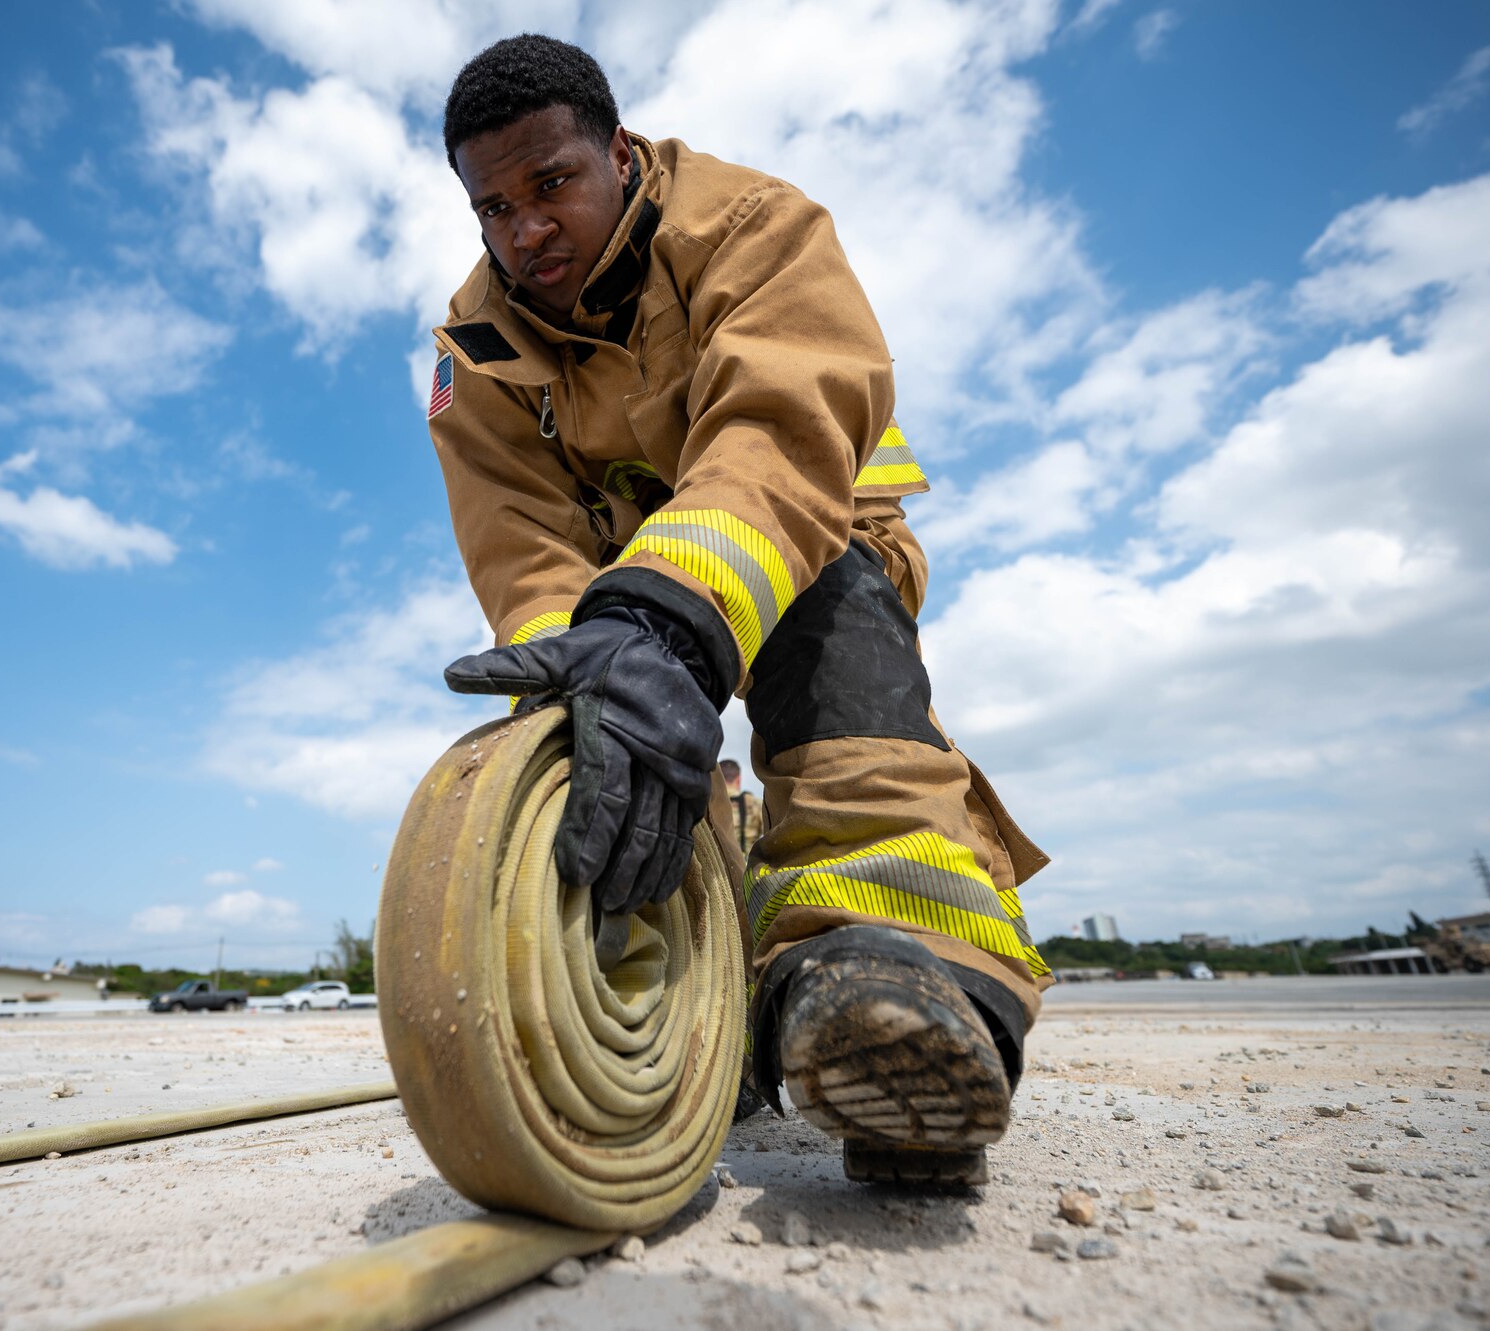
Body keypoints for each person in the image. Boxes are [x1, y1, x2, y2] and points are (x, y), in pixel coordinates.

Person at [431, 34, 1049, 1183]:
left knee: (821, 636)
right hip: (635, 591)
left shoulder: (753, 226)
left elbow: (778, 426)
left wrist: (667, 622)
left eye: (551, 184)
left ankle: (902, 976)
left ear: (616, 153)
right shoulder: (474, 356)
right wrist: (593, 678)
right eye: (493, 207)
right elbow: (520, 552)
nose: (524, 229)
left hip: (816, 526)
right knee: (622, 754)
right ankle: (722, 1021)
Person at [719, 758, 762, 860]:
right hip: (747, 869)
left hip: (715, 870)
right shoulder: (755, 804)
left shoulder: (707, 805)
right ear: (738, 779)